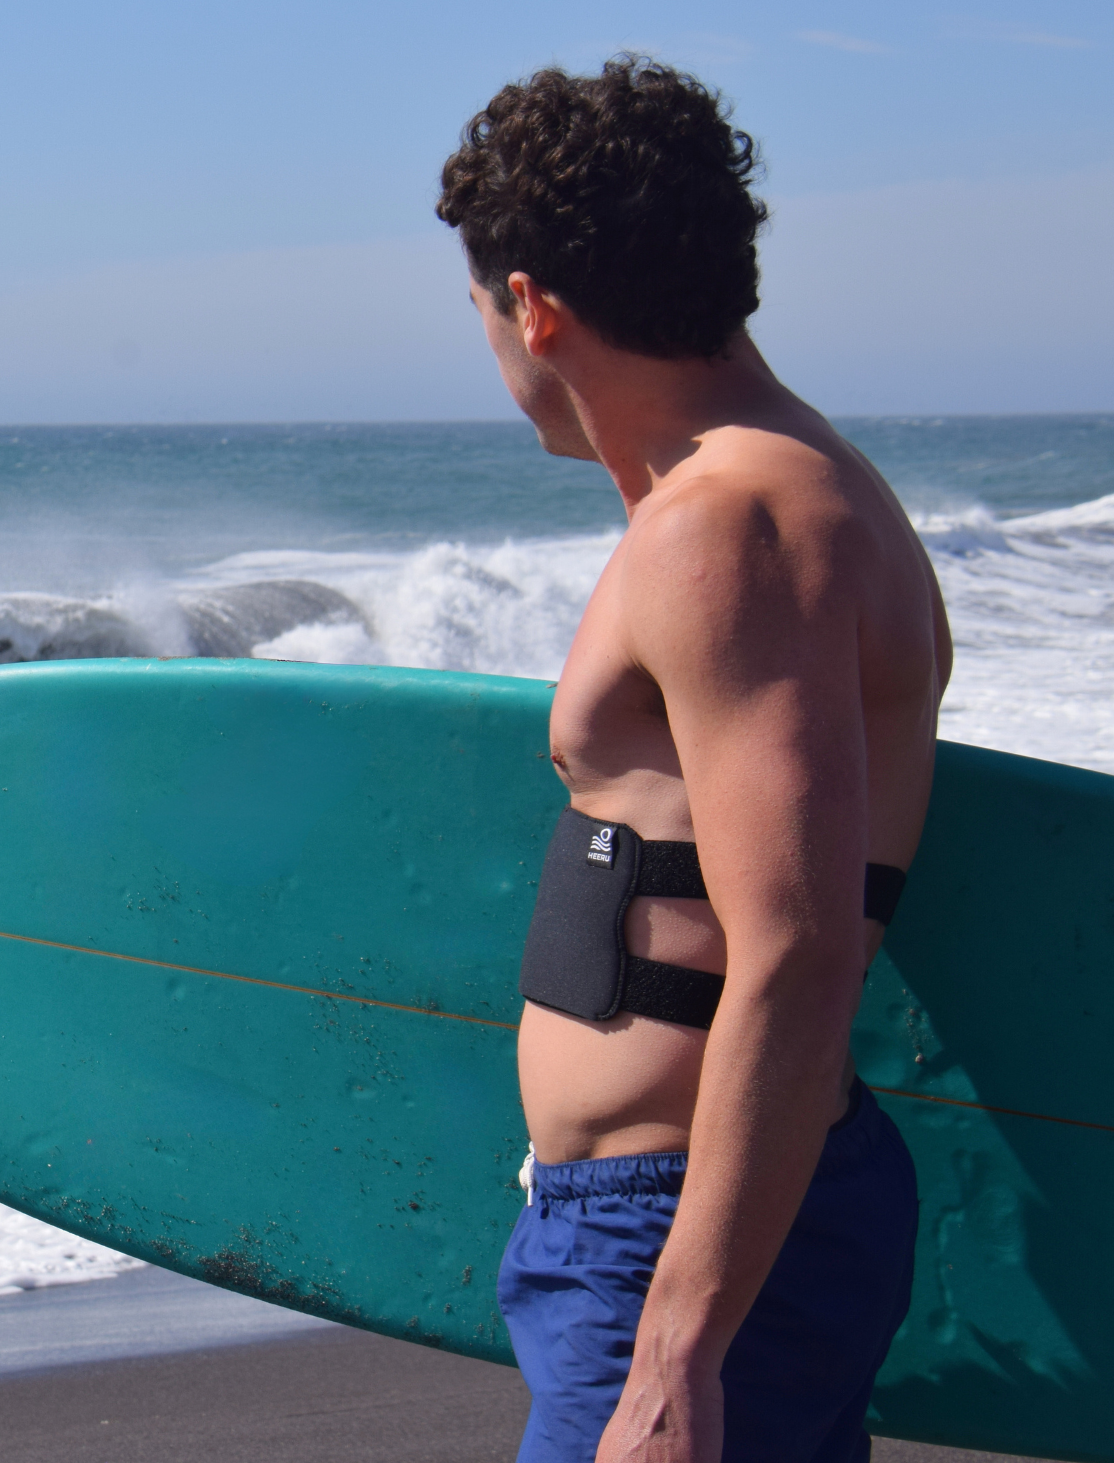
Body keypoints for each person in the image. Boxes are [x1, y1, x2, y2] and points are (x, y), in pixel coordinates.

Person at [434, 57, 952, 1463]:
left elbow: (790, 949)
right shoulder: (792, 484)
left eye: (481, 312)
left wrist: (673, 1348)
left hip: (678, 1233)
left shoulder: (727, 526)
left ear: (531, 305)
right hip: (665, 1214)